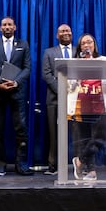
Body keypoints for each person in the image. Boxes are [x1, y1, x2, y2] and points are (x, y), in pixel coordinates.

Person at [0, 16, 33, 176]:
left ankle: (21, 165)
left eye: (9, 24)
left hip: (16, 92)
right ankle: (0, 166)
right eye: (4, 25)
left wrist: (16, 82)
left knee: (21, 129)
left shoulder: (23, 44)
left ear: (15, 27)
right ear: (0, 28)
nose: (7, 27)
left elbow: (27, 68)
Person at [70, 33, 106, 181]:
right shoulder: (74, 63)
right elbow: (69, 85)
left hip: (102, 104)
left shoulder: (105, 61)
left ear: (94, 45)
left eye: (90, 42)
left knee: (101, 136)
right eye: (83, 43)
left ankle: (79, 160)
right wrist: (78, 75)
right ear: (80, 47)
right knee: (85, 139)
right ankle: (91, 170)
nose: (87, 45)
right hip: (81, 105)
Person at [41, 24, 73, 175]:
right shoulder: (49, 52)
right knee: (54, 133)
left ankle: (80, 164)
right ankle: (53, 165)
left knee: (78, 133)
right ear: (57, 35)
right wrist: (62, 90)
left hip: (76, 99)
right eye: (62, 31)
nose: (65, 33)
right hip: (54, 99)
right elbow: (46, 74)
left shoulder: (78, 52)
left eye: (68, 31)